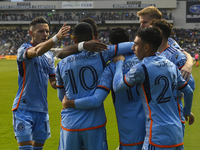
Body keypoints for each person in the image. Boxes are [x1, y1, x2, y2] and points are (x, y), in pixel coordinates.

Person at [62, 27, 146, 150]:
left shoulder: (111, 68)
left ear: (111, 44)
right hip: (153, 129)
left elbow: (96, 100)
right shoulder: (146, 61)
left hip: (130, 133)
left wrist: (69, 103)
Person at [112, 27, 193, 150]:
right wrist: (187, 112)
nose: (133, 48)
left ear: (146, 47)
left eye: (136, 44)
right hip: (177, 133)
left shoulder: (141, 68)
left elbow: (117, 86)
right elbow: (188, 91)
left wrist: (119, 63)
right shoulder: (170, 65)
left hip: (158, 136)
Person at [12, 16, 70, 150]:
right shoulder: (24, 49)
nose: (45, 34)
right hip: (23, 108)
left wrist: (65, 83)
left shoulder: (49, 56)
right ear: (31, 33)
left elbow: (53, 82)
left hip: (42, 110)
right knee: (26, 148)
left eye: (47, 31)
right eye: (40, 31)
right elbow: (37, 51)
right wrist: (56, 38)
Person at [149, 19, 195, 135]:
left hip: (172, 110)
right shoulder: (151, 53)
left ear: (158, 34)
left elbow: (190, 85)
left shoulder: (176, 56)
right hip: (155, 111)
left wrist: (187, 110)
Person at [137, 6, 193, 81]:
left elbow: (182, 53)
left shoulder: (168, 42)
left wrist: (188, 65)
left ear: (155, 22)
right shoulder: (139, 42)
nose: (141, 26)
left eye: (145, 22)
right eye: (140, 23)